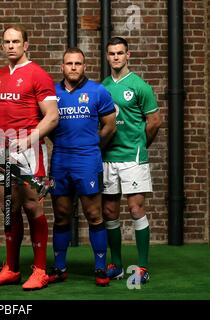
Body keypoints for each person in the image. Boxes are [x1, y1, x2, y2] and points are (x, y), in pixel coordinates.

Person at [0, 25, 59, 291]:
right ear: (3, 45)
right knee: (8, 207)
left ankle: (40, 271)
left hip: (29, 150)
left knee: (31, 205)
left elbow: (52, 116)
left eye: (16, 41)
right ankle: (11, 268)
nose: (11, 46)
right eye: (7, 42)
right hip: (1, 149)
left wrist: (28, 140)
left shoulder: (38, 74)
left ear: (26, 44)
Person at [48, 47, 116, 287]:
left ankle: (99, 267)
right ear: (62, 66)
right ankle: (60, 266)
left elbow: (110, 125)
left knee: (94, 214)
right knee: (61, 215)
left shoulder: (98, 91)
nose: (73, 67)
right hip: (60, 161)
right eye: (69, 63)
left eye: (78, 63)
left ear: (84, 66)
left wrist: (93, 143)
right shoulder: (52, 93)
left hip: (87, 161)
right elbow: (46, 123)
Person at [102, 37, 162, 284]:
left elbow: (155, 122)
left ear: (128, 55)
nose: (115, 57)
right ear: (107, 57)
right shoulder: (102, 87)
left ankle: (143, 266)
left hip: (133, 158)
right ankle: (115, 263)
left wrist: (140, 146)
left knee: (136, 209)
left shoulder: (140, 86)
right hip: (108, 157)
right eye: (111, 53)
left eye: (120, 53)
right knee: (109, 211)